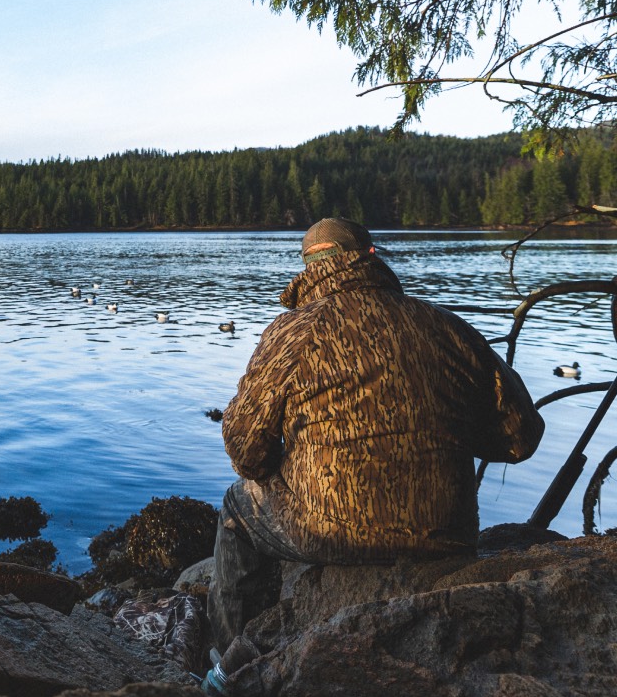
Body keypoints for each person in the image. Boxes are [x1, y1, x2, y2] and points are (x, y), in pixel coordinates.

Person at [210, 217, 544, 647]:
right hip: (445, 533)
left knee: (237, 508)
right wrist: (443, 432)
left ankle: (226, 663)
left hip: (330, 531)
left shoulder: (292, 331)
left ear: (308, 268)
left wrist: (294, 458)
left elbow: (245, 452)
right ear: (371, 256)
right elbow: (521, 438)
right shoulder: (446, 325)